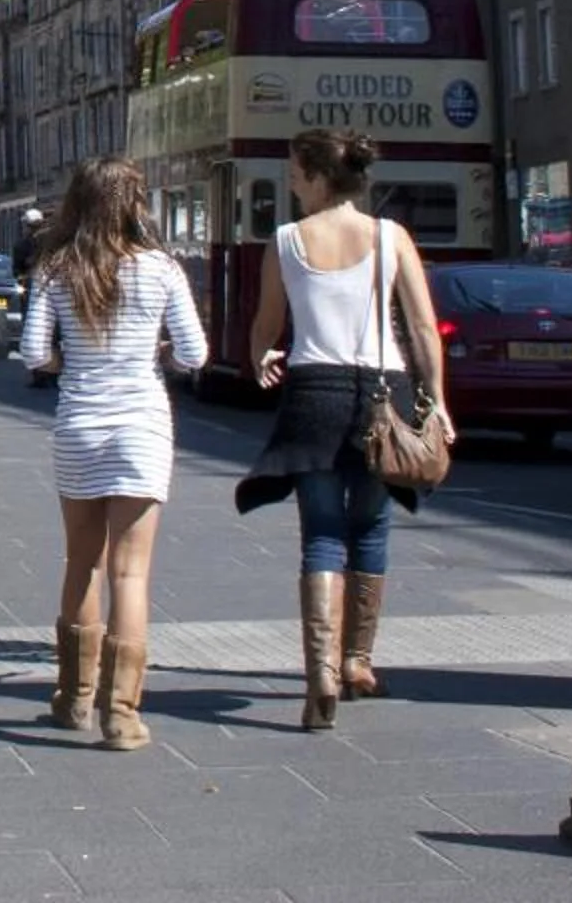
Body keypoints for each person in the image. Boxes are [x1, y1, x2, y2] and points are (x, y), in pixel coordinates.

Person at [238, 127, 454, 730]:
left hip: (313, 394)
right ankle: (358, 660)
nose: (289, 182)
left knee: (321, 536)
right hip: (383, 394)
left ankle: (320, 679)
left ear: (315, 176)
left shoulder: (285, 241)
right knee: (372, 526)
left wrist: (260, 359)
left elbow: (267, 325)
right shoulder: (391, 238)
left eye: (294, 173)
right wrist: (436, 402)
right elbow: (422, 328)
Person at [19, 158, 207, 750]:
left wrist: (65, 360)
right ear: (136, 205)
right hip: (142, 426)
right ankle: (122, 714)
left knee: (83, 564)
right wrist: (156, 347)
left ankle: (72, 697)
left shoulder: (57, 270)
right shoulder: (161, 271)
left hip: (80, 425)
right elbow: (196, 355)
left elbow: (31, 353)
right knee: (132, 571)